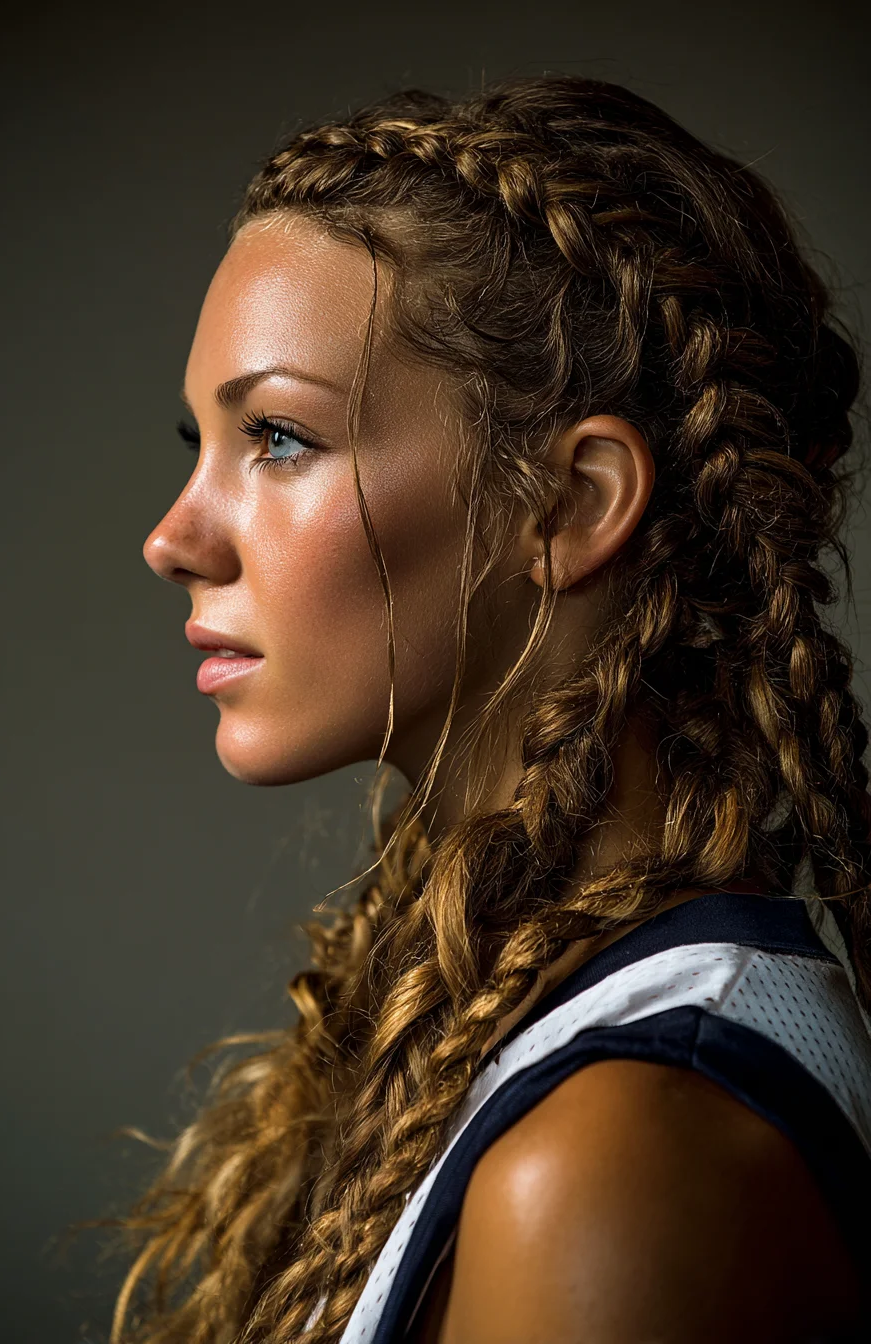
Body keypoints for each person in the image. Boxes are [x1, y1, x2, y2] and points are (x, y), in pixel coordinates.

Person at [126, 74, 871, 1343]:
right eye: (196, 445)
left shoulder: (620, 1158)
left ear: (570, 502)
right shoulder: (530, 1025)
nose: (173, 539)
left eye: (280, 439)